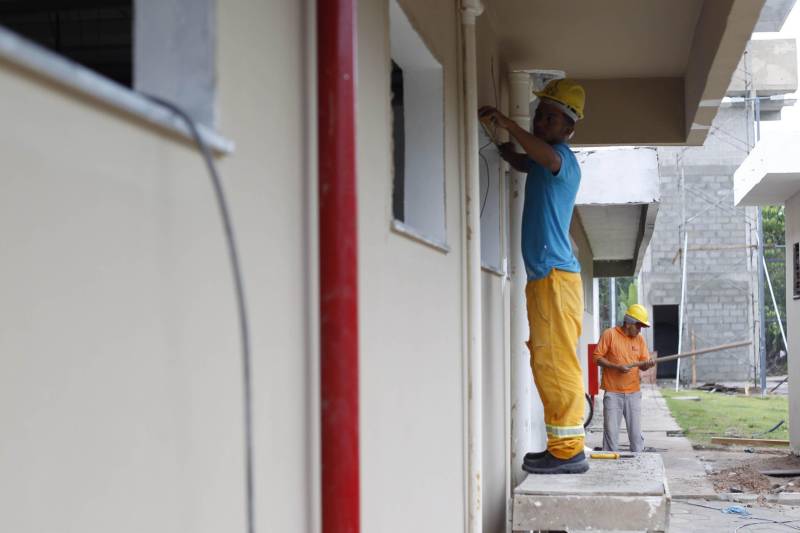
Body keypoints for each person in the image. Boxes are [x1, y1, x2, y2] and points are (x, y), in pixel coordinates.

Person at [479, 78, 588, 474]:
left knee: (556, 361)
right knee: (546, 359)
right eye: (540, 116)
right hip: (549, 278)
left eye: (551, 118)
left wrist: (510, 125)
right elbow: (529, 161)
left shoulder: (562, 159)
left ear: (568, 129)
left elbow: (541, 156)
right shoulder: (544, 161)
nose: (542, 122)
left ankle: (569, 451)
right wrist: (508, 153)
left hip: (555, 278)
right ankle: (560, 444)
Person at [593, 304, 656, 452]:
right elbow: (596, 358)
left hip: (633, 393)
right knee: (611, 435)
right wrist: (616, 367)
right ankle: (610, 467)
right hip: (613, 393)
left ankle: (639, 464)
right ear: (628, 323)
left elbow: (643, 365)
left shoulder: (639, 340)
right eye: (638, 326)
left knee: (635, 435)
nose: (640, 330)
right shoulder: (610, 335)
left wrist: (648, 364)